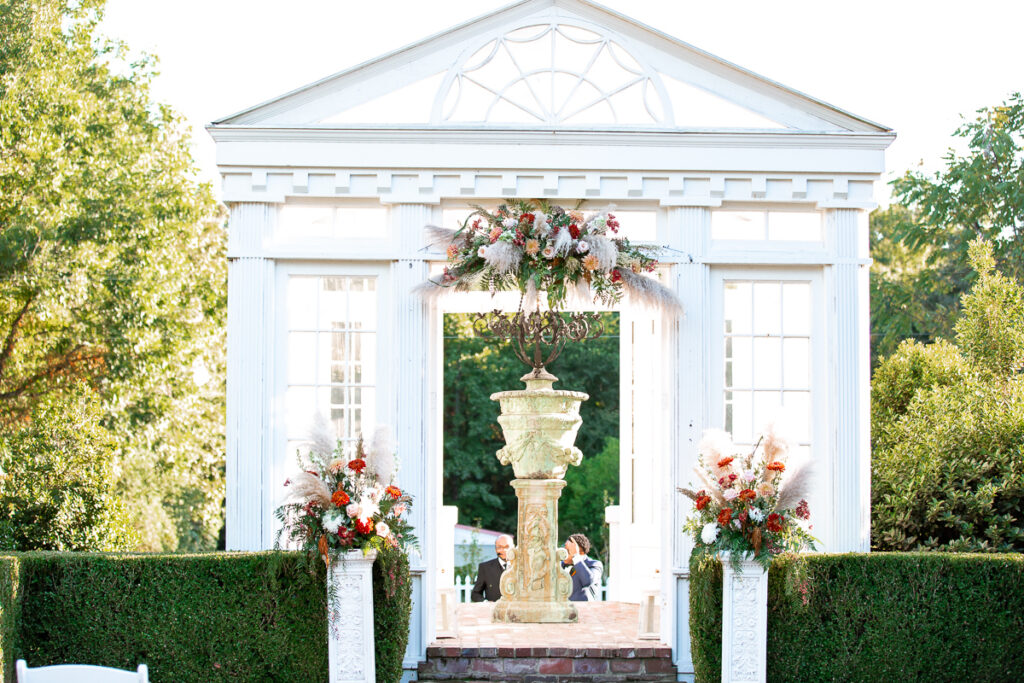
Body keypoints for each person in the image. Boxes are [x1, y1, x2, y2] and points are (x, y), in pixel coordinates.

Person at [562, 533, 603, 601]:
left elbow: (588, 581)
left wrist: (575, 557)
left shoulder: (594, 564)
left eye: (568, 550)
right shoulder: (559, 565)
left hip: (584, 610)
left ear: (580, 551)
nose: (564, 553)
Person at [471, 534, 512, 602]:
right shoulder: (485, 568)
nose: (504, 550)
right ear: (495, 549)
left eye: (507, 546)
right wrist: (486, 603)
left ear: (513, 547)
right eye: (499, 547)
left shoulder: (521, 567)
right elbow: (475, 594)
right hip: (494, 610)